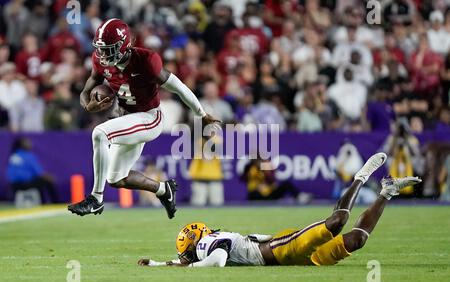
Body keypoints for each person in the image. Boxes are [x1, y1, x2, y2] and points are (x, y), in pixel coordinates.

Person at [138, 153, 422, 268]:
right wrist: (159, 265)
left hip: (281, 249)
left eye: (188, 249)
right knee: (356, 240)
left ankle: (361, 176)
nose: (186, 254)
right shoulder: (204, 244)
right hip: (291, 259)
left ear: (199, 239)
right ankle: (387, 191)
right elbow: (188, 262)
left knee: (336, 221)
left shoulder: (210, 243)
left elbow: (218, 260)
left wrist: (187, 267)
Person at [68, 19, 220, 218]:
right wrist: (88, 104)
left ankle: (96, 199)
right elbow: (87, 88)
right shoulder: (100, 60)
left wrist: (201, 114)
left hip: (149, 118)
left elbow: (179, 87)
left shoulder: (146, 60)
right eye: (101, 48)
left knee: (100, 133)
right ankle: (163, 190)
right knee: (116, 178)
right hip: (128, 118)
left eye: (109, 49)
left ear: (123, 45)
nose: (103, 54)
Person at [6, 137, 58, 204]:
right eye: (27, 142)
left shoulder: (13, 155)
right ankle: (55, 202)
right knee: (46, 180)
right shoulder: (28, 156)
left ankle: (43, 201)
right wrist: (49, 177)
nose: (30, 144)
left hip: (13, 186)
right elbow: (39, 173)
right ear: (22, 145)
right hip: (24, 184)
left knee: (39, 181)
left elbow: (9, 174)